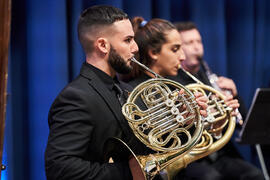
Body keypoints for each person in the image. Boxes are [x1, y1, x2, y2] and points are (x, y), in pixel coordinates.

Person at [45, 6, 208, 180]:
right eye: (128, 40)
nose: (136, 47)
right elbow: (60, 168)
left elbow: (147, 146)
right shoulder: (76, 97)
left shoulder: (126, 90)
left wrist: (183, 120)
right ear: (102, 45)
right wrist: (128, 172)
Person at [171, 21, 264, 180]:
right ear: (178, 48)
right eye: (189, 42)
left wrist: (234, 96)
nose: (196, 47)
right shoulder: (172, 80)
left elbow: (241, 123)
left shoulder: (210, 77)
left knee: (254, 174)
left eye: (198, 41)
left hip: (219, 153)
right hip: (192, 157)